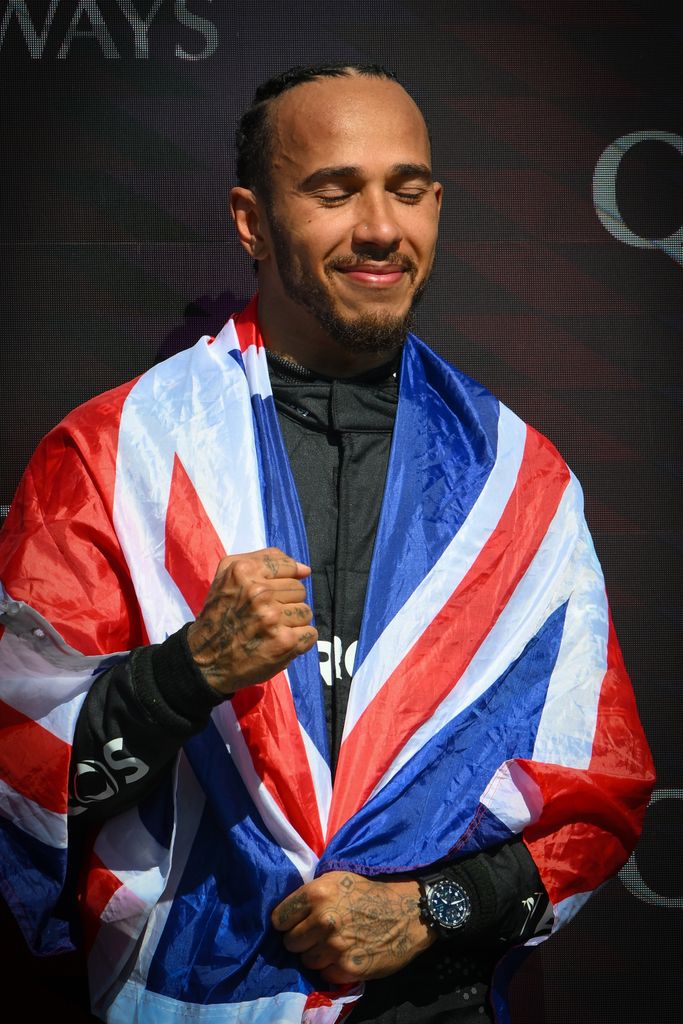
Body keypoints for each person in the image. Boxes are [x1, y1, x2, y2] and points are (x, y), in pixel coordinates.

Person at [0, 63, 655, 1024]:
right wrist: (184, 672)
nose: (383, 227)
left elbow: (594, 799)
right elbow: (17, 763)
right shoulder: (115, 456)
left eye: (408, 188)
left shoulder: (522, 480)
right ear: (251, 220)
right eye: (334, 190)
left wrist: (426, 909)